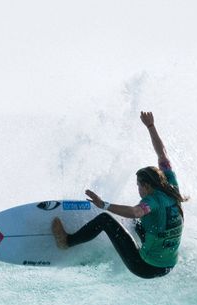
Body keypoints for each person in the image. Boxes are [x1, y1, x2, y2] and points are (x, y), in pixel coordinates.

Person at [52, 111, 187, 279]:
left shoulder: (153, 201)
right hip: (169, 265)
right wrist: (151, 126)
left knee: (105, 220)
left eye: (139, 186)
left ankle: (67, 242)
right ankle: (140, 243)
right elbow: (162, 154)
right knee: (135, 223)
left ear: (146, 185)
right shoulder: (171, 185)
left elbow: (136, 211)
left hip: (145, 267)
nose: (138, 190)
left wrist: (104, 205)